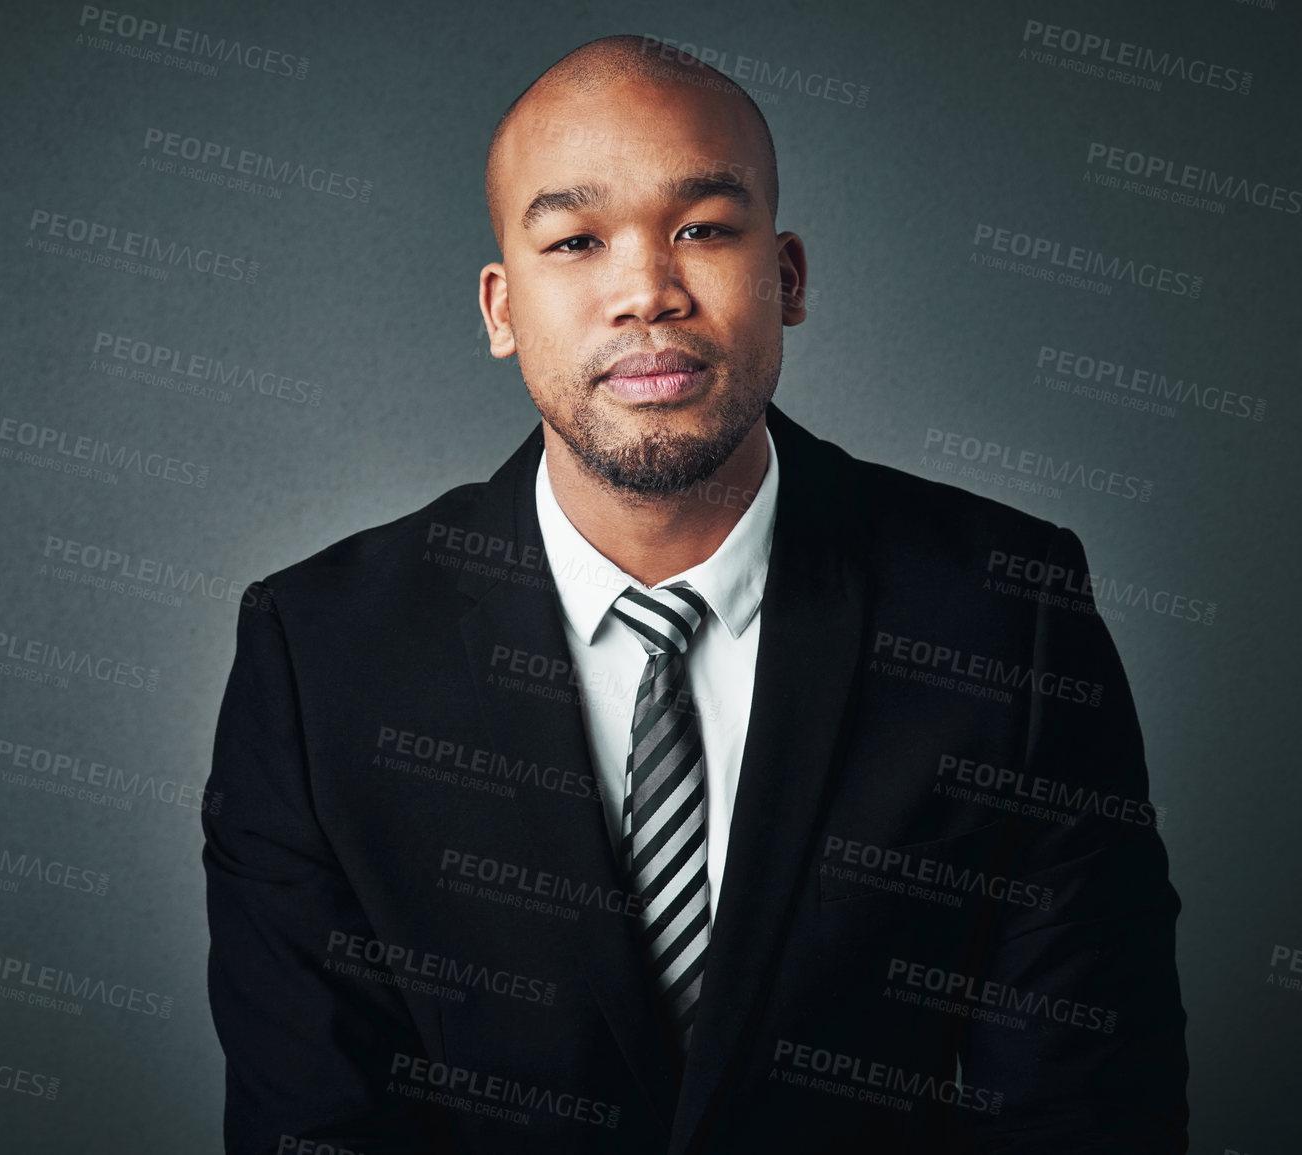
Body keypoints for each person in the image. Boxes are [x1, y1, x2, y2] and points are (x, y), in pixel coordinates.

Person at [202, 33, 1188, 1154]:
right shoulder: (319, 654)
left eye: (704, 230)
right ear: (500, 308)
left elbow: (1089, 1107)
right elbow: (317, 1122)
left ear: (790, 277)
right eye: (575, 241)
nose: (646, 293)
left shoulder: (1009, 614)